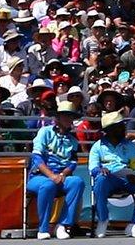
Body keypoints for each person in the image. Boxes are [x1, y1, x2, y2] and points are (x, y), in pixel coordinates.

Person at [88, 110, 135, 238]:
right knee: (100, 180)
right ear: (110, 130)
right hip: (108, 179)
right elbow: (92, 168)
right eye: (120, 126)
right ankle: (103, 219)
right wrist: (100, 170)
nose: (124, 129)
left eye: (123, 125)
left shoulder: (130, 145)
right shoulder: (98, 146)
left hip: (127, 179)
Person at [28, 101, 87, 239]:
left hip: (61, 177)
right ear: (57, 118)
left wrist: (62, 174)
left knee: (77, 182)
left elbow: (72, 163)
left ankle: (63, 225)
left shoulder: (73, 139)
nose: (68, 119)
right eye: (65, 115)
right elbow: (36, 158)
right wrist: (51, 176)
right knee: (48, 185)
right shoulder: (44, 132)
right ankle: (43, 228)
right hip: (39, 176)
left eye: (71, 116)